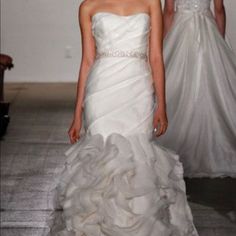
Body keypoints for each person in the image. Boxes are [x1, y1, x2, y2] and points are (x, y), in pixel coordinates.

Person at [51, 0, 198, 235]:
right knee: (102, 158)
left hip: (137, 87)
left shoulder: (151, 2)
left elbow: (157, 57)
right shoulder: (88, 6)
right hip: (101, 90)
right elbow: (87, 60)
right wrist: (77, 112)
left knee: (137, 158)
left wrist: (162, 103)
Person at [158, 0, 236, 178]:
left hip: (180, 28)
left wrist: (164, 43)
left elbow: (169, 11)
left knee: (174, 82)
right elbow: (219, 10)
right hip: (207, 29)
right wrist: (220, 40)